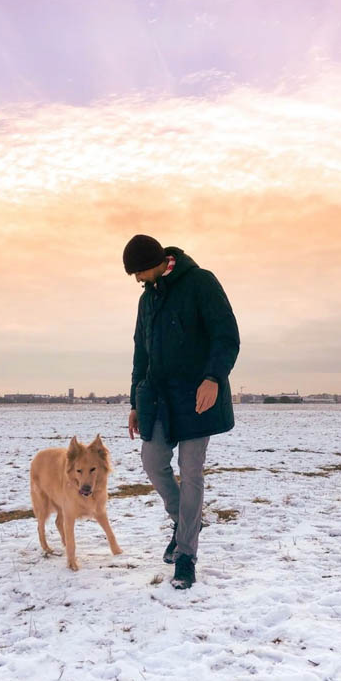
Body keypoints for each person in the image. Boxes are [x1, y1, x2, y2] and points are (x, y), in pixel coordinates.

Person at [123, 235, 239, 589]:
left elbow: (226, 335)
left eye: (139, 272)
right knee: (152, 462)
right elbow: (140, 354)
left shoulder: (201, 282)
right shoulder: (147, 300)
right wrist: (134, 403)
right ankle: (185, 520)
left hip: (195, 397)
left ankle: (186, 554)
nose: (137, 280)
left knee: (191, 473)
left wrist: (213, 378)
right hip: (157, 399)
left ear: (157, 261)